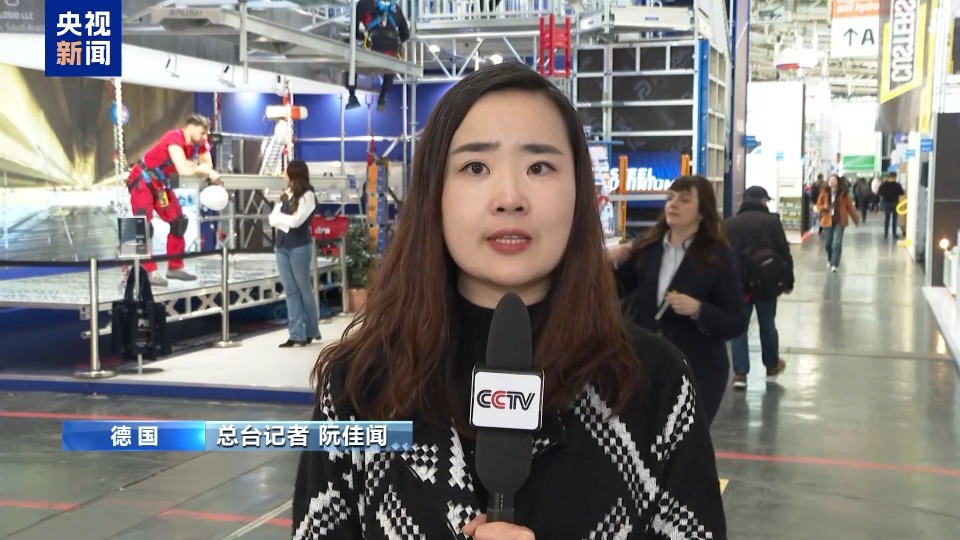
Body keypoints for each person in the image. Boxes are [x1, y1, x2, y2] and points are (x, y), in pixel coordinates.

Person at [292, 63, 726, 539]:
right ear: (434, 193)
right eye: (475, 167)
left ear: (579, 194)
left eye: (539, 167)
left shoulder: (654, 383)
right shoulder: (357, 387)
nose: (510, 197)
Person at [608, 175, 747, 425]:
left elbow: (736, 321)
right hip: (647, 367)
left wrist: (699, 310)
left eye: (684, 200)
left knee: (686, 442)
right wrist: (606, 261)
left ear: (702, 212)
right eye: (670, 198)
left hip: (699, 370)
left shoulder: (717, 257)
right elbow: (612, 290)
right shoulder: (648, 248)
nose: (673, 205)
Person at [128, 114, 220, 287]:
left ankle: (175, 267)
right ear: (191, 127)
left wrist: (198, 166)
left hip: (161, 185)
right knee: (142, 226)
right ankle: (147, 271)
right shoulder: (174, 137)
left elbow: (208, 164)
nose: (204, 137)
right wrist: (201, 169)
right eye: (202, 133)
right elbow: (184, 170)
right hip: (143, 180)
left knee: (179, 221)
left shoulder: (199, 142)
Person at [723, 186, 792, 390]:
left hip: (739, 286)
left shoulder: (729, 224)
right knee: (767, 324)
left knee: (739, 328)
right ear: (762, 200)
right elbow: (784, 252)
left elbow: (722, 257)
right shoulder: (772, 221)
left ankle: (740, 374)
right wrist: (788, 281)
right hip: (766, 283)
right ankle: (771, 366)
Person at [269, 160, 322, 348]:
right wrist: (285, 220)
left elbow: (297, 222)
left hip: (299, 246)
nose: (284, 174)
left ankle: (312, 330)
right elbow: (272, 219)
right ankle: (296, 334)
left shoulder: (308, 196)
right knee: (290, 289)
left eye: (286, 171)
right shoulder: (285, 194)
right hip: (281, 246)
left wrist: (281, 220)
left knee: (303, 288)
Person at [344, 0, 411, 112]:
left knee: (351, 59)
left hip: (373, 44)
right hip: (392, 46)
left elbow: (353, 29)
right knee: (391, 63)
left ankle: (352, 96)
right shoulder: (396, 7)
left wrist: (362, 36)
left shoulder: (363, 3)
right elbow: (405, 35)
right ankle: (382, 97)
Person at [816, 174, 860, 272]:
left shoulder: (843, 194)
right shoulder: (824, 193)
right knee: (828, 243)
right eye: (830, 180)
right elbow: (818, 206)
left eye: (834, 180)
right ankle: (830, 259)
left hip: (839, 221)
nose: (831, 181)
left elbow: (850, 208)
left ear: (838, 182)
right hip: (827, 220)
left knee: (837, 243)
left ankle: (834, 264)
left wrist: (856, 220)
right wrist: (824, 207)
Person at [877, 172, 905, 240]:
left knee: (887, 218)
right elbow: (902, 192)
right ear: (894, 177)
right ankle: (894, 234)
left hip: (886, 203)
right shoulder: (897, 185)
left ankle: (886, 234)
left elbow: (879, 193)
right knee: (894, 219)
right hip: (895, 203)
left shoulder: (883, 185)